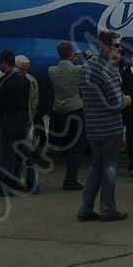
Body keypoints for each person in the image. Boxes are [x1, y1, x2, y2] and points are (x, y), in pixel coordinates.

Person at [76, 31, 129, 223]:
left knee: (96, 167)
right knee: (109, 168)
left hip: (92, 125)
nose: (119, 50)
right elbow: (115, 101)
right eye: (116, 46)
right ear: (105, 46)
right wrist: (127, 100)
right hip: (110, 126)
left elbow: (82, 94)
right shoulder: (108, 70)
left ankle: (86, 207)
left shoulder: (87, 67)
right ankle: (108, 209)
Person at [0, 52, 38, 195]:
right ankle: (32, 184)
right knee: (26, 155)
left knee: (8, 157)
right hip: (22, 122)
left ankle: (7, 187)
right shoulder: (26, 81)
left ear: (4, 62)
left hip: (8, 123)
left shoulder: (5, 79)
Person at [48, 41, 86, 192]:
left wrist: (71, 58)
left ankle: (69, 175)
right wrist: (86, 56)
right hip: (76, 109)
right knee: (78, 146)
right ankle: (71, 178)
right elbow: (90, 68)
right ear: (72, 54)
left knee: (66, 143)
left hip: (59, 110)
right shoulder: (78, 70)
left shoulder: (51, 70)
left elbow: (63, 67)